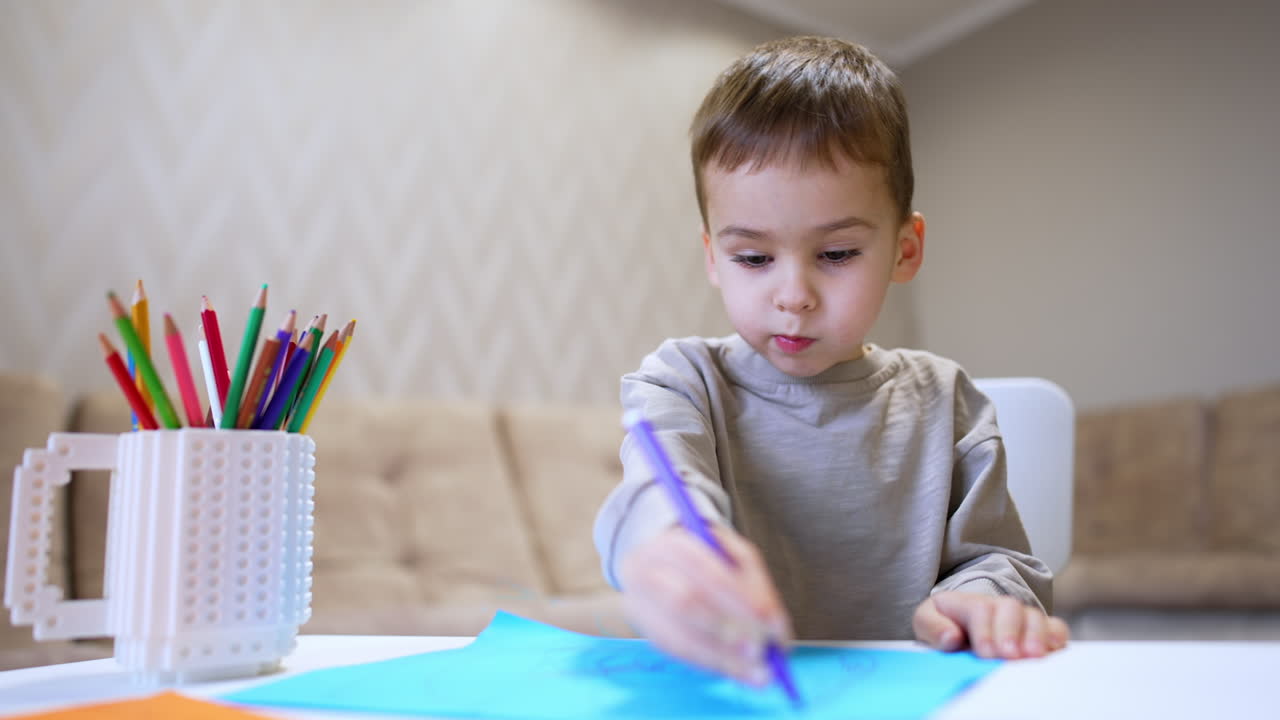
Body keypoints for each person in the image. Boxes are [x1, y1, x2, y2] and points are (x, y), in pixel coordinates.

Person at [592, 35, 1069, 688]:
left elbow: (1000, 564)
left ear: (905, 249)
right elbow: (653, 495)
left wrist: (985, 601)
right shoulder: (682, 382)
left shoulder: (944, 399)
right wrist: (665, 547)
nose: (793, 297)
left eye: (837, 254)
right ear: (712, 256)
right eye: (753, 258)